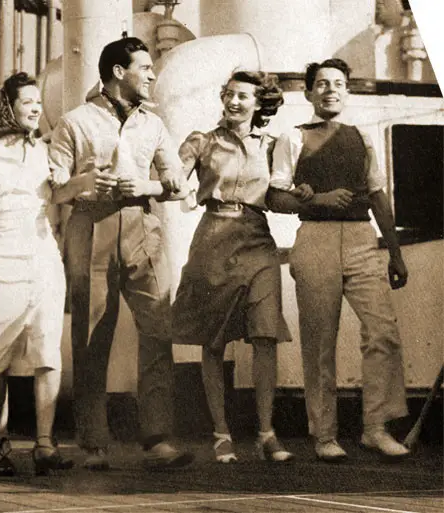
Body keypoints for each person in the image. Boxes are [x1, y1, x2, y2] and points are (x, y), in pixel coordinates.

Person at [48, 37, 193, 470]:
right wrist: (84, 183)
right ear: (117, 72)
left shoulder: (154, 123)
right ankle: (93, 443)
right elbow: (55, 186)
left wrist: (146, 186)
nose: (151, 75)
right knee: (92, 336)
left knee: (158, 329)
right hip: (90, 227)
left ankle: (158, 438)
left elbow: (178, 182)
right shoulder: (75, 122)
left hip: (143, 228)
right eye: (144, 68)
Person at [267, 58, 410, 461]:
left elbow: (378, 195)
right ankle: (325, 434)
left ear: (347, 91)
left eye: (339, 84)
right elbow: (275, 197)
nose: (331, 90)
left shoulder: (361, 137)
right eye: (323, 84)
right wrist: (315, 198)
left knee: (382, 330)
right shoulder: (292, 139)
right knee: (320, 341)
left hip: (363, 238)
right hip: (315, 239)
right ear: (310, 92)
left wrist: (395, 253)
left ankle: (376, 428)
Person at [172, 71, 303, 463]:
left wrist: (305, 195)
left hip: (258, 240)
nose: (233, 101)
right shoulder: (202, 141)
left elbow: (281, 193)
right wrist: (176, 181)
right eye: (228, 94)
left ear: (259, 103)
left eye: (242, 96)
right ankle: (221, 434)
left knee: (265, 335)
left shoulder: (272, 145)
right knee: (214, 341)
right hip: (213, 239)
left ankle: (267, 434)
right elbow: (172, 176)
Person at [0, 72, 73, 476]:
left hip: (43, 255)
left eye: (38, 101)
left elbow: (60, 197)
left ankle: (44, 442)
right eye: (28, 101)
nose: (37, 107)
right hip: (2, 256)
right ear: (8, 105)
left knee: (47, 349)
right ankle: (1, 443)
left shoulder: (46, 152)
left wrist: (65, 181)